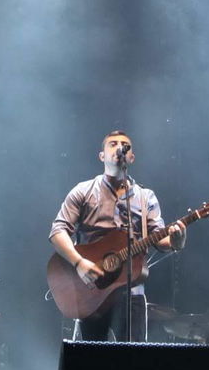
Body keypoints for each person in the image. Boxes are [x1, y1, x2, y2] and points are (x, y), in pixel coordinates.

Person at [50, 130, 186, 342]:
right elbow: (58, 231)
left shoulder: (145, 197)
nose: (119, 148)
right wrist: (79, 263)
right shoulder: (83, 191)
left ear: (131, 157)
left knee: (133, 359)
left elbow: (159, 238)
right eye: (112, 144)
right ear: (102, 155)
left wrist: (176, 242)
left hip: (131, 294)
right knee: (89, 359)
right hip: (91, 292)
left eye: (125, 145)